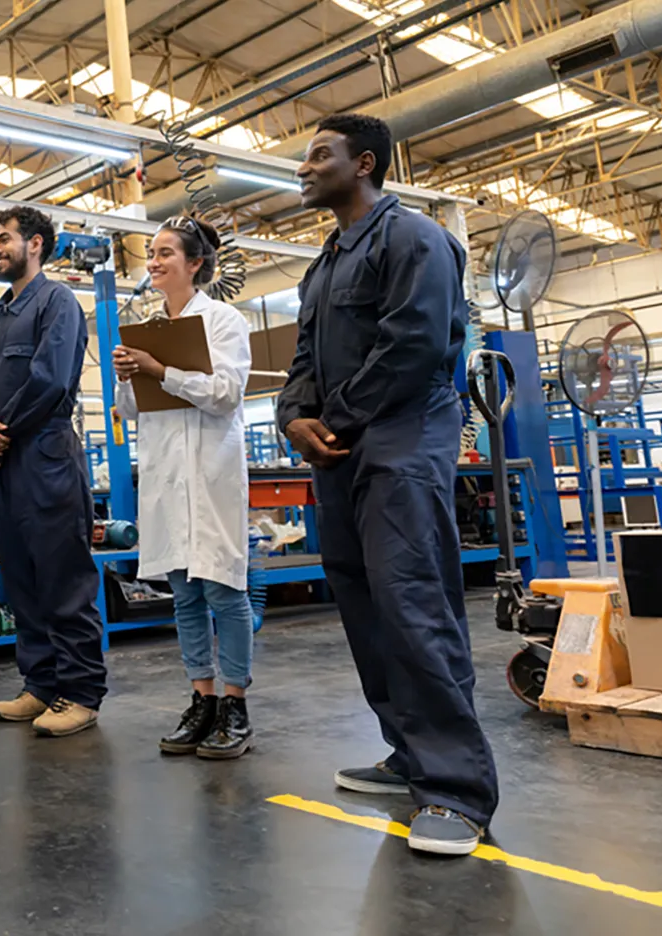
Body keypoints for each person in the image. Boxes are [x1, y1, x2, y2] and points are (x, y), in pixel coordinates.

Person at [278, 112, 497, 857]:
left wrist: (331, 417)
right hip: (342, 446)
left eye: (318, 156)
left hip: (403, 435)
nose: (303, 169)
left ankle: (456, 791)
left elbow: (415, 344)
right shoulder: (327, 260)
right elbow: (304, 355)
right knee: (362, 601)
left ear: (363, 163)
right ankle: (409, 753)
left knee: (411, 599)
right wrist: (293, 418)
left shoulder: (417, 239)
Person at [111, 218, 255, 759]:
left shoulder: (223, 320)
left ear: (195, 263)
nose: (153, 261)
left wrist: (160, 367)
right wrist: (129, 375)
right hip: (164, 473)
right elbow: (129, 411)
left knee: (223, 588)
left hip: (209, 470)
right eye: (150, 253)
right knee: (185, 594)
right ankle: (202, 699)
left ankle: (235, 704)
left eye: (165, 252)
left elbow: (225, 393)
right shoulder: (148, 328)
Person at [0, 206, 107, 738]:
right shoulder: (0, 313)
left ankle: (80, 691)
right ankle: (41, 684)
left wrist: (0, 430)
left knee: (62, 579)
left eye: (4, 239)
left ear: (35, 245)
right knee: (22, 579)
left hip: (46, 456)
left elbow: (51, 380)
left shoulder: (58, 302)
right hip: (4, 464)